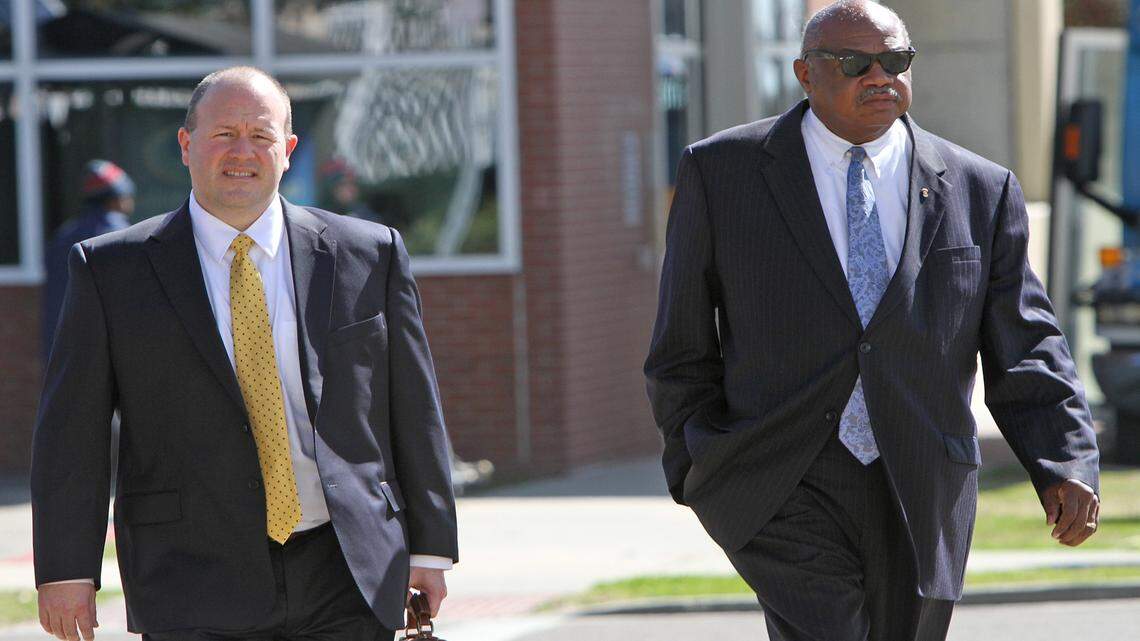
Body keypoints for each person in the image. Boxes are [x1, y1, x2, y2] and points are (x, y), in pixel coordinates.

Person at [643, 2, 1100, 640]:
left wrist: (1065, 461)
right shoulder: (722, 173)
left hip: (921, 477)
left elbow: (1026, 344)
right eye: (855, 63)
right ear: (806, 73)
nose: (879, 76)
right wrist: (697, 464)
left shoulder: (979, 188)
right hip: (779, 474)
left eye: (895, 61)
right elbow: (680, 348)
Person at [31, 66, 458, 641]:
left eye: (261, 135)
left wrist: (431, 545)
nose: (242, 152)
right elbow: (71, 433)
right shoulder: (111, 270)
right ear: (186, 145)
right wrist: (66, 570)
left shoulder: (368, 253)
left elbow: (413, 406)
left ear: (288, 149)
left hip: (348, 570)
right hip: (191, 577)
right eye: (223, 133)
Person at [42, 160, 135, 362]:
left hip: (62, 352)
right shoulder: (123, 235)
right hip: (108, 355)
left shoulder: (63, 237)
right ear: (118, 199)